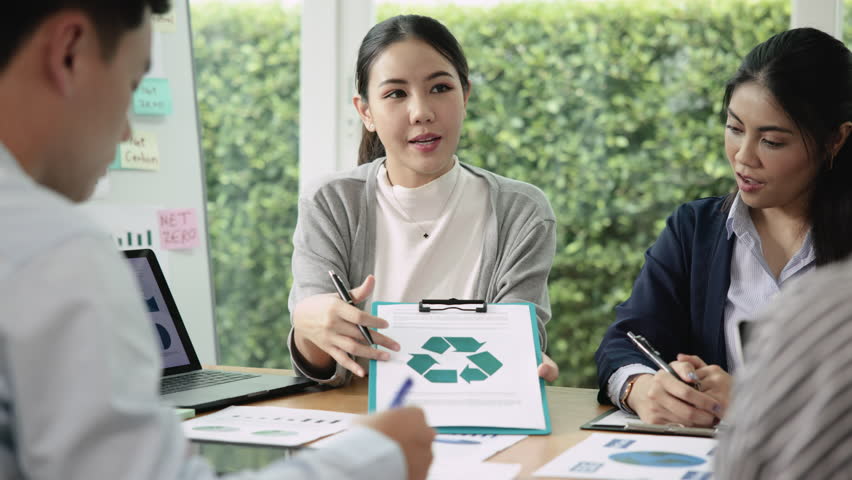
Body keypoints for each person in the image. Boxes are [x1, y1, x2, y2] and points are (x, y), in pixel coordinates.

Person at [0, 2, 434, 479]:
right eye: (130, 85)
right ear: (69, 52)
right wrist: (378, 456)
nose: (126, 131)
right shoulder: (56, 256)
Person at [594, 27, 852, 428]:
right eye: (734, 129)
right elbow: (624, 341)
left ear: (835, 139)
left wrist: (757, 399)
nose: (743, 157)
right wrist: (643, 388)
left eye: (772, 141)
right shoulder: (694, 230)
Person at [287, 14, 558, 387]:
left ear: (465, 95)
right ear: (366, 112)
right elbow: (322, 371)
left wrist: (523, 356)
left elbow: (517, 344)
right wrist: (310, 328)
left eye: (440, 88)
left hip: (475, 417)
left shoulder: (521, 211)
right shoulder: (330, 203)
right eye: (396, 93)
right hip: (360, 424)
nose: (422, 113)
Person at [715, 255, 852, 479]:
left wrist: (752, 400)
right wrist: (637, 384)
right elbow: (639, 327)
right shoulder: (692, 229)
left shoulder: (822, 305)